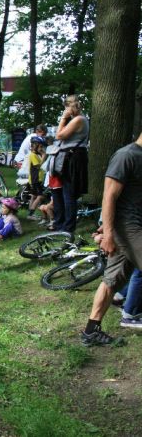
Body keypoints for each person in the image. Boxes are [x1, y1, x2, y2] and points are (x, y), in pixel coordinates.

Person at [80, 132, 142, 346]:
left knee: (111, 281)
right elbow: (109, 196)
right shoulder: (126, 155)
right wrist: (107, 233)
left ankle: (91, 331)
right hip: (128, 228)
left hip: (133, 227)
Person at [52, 96, 89, 233]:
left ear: (70, 107)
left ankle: (68, 228)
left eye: (66, 108)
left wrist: (63, 118)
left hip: (73, 158)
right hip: (71, 157)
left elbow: (59, 135)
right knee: (65, 193)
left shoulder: (79, 120)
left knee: (69, 194)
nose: (65, 110)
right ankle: (63, 224)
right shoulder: (79, 119)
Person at [26, 136, 47, 219]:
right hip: (36, 180)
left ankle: (30, 214)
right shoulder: (33, 155)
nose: (41, 149)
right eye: (40, 146)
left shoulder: (35, 155)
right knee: (40, 196)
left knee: (33, 196)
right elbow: (38, 166)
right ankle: (31, 214)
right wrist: (44, 156)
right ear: (35, 145)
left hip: (35, 180)